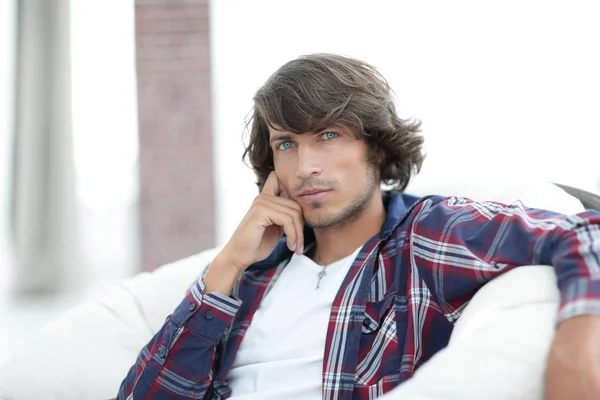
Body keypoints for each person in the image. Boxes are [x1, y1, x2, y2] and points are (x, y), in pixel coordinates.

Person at [117, 53, 600, 400]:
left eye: (328, 136)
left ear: (378, 148)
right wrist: (226, 265)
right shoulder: (247, 277)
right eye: (286, 144)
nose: (305, 165)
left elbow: (585, 231)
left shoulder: (425, 235)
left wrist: (577, 344)